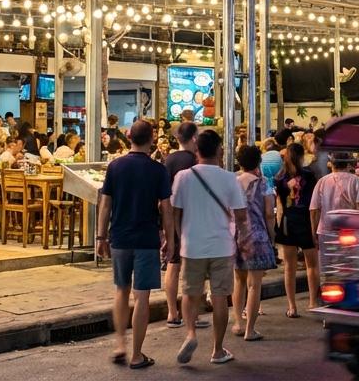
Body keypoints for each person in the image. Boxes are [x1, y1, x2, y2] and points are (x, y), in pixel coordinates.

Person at [97, 119, 174, 369]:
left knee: (121, 290)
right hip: (146, 239)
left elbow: (105, 204)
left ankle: (120, 343)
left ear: (129, 137)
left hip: (119, 237)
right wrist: (170, 240)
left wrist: (100, 237)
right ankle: (137, 354)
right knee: (142, 297)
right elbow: (166, 208)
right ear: (151, 139)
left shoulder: (115, 166)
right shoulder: (158, 170)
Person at [171, 130, 248, 366]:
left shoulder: (183, 177)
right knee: (219, 298)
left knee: (189, 294)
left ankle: (191, 333)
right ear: (219, 150)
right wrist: (241, 235)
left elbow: (175, 212)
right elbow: (241, 215)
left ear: (197, 151)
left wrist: (178, 236)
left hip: (191, 245)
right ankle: (216, 350)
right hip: (222, 246)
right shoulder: (229, 178)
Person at [231, 144, 275, 342]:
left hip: (236, 236)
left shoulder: (232, 182)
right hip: (257, 237)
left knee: (238, 281)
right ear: (258, 162)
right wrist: (272, 236)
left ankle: (238, 323)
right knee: (254, 285)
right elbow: (269, 213)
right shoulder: (263, 183)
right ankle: (250, 329)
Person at [162, 120, 201, 328]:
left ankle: (172, 312)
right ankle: (192, 314)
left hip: (171, 217)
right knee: (193, 267)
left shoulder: (169, 160)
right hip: (193, 218)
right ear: (194, 138)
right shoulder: (196, 160)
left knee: (173, 264)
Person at [273, 142, 319, 316]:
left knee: (289, 267)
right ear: (301, 157)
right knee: (312, 265)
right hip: (306, 221)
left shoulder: (279, 177)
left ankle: (291, 306)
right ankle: (313, 302)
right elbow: (314, 204)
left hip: (287, 221)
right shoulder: (309, 175)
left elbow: (279, 204)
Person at [310, 152, 359, 238]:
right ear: (348, 164)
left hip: (326, 232)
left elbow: (314, 210)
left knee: (327, 252)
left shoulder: (322, 182)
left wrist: (314, 233)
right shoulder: (356, 181)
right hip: (350, 232)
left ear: (331, 164)